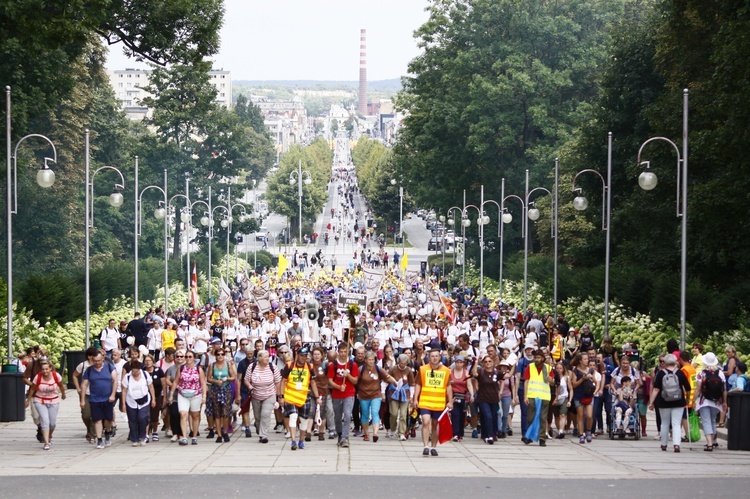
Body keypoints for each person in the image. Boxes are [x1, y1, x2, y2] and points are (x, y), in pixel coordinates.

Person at [413, 349, 453, 457]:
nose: (434, 358)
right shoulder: (422, 369)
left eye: (436, 356)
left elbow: (448, 386)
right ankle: (425, 446)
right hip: (425, 401)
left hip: (439, 403)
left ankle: (433, 447)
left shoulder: (446, 371)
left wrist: (450, 401)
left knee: (435, 425)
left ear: (440, 357)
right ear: (428, 358)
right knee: (426, 422)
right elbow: (418, 385)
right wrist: (415, 399)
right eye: (432, 356)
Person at [280, 347, 320, 450]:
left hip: (303, 397)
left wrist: (317, 397)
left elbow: (313, 383)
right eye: (301, 355)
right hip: (290, 396)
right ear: (297, 355)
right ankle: (293, 441)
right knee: (293, 416)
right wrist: (281, 396)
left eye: (305, 356)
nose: (303, 358)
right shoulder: (289, 366)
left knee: (304, 420)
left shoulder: (309, 367)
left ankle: (301, 440)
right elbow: (283, 381)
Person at [649, 353, 691, 452]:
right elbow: (688, 388)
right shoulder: (680, 373)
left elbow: (656, 389)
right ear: (675, 362)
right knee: (676, 423)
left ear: (666, 362)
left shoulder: (661, 373)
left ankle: (664, 444)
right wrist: (688, 399)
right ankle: (676, 444)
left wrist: (651, 402)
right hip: (678, 401)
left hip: (664, 401)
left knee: (664, 423)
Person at [24, 360, 65, 450]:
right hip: (40, 400)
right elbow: (32, 389)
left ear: (50, 369)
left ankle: (49, 435)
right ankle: (46, 443)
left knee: (52, 423)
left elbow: (61, 385)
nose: (45, 371)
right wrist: (28, 400)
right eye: (43, 369)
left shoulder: (56, 376)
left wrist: (63, 394)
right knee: (45, 421)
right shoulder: (38, 377)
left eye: (47, 369)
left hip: (53, 401)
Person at [80, 351, 117, 449]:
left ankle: (108, 432)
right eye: (95, 361)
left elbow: (115, 381)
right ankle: (99, 439)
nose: (97, 363)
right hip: (95, 399)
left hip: (108, 398)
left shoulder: (109, 367)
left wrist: (113, 394)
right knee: (97, 420)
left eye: (99, 361)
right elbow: (84, 384)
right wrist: (83, 400)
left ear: (103, 359)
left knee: (108, 419)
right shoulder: (89, 370)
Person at [357, 351, 396, 442]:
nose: (371, 361)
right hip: (364, 395)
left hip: (376, 394)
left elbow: (387, 377)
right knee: (365, 414)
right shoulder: (361, 369)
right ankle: (366, 434)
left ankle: (375, 433)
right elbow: (356, 381)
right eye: (369, 360)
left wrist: (396, 383)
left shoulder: (378, 369)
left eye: (372, 360)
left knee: (375, 412)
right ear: (365, 360)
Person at [171, 350, 207, 446]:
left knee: (195, 416)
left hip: (196, 394)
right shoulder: (181, 368)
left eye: (190, 356)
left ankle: (194, 435)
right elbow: (175, 381)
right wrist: (171, 394)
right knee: (183, 414)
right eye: (186, 357)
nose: (188, 358)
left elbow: (203, 383)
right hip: (183, 394)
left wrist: (204, 396)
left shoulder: (199, 369)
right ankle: (184, 436)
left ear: (194, 358)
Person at [327, 342, 360, 448]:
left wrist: (348, 375)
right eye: (341, 352)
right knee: (337, 417)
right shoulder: (333, 365)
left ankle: (345, 438)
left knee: (346, 415)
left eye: (345, 352)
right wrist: (338, 387)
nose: (343, 354)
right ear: (338, 352)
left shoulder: (352, 365)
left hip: (349, 394)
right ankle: (340, 434)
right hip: (337, 394)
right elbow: (330, 381)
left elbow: (355, 381)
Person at [693, 352, 727, 451]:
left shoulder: (702, 373)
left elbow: (698, 389)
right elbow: (724, 389)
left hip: (704, 401)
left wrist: (694, 400)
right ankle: (713, 441)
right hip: (717, 401)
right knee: (712, 420)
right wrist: (724, 401)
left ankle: (709, 443)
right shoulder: (720, 373)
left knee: (706, 421)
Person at [247, 350, 281, 444]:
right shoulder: (252, 367)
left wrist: (278, 394)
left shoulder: (272, 367)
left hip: (269, 394)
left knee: (265, 414)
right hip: (256, 395)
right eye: (265, 357)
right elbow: (246, 380)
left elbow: (278, 381)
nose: (267, 358)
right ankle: (259, 428)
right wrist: (249, 386)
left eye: (268, 356)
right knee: (257, 417)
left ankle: (264, 435)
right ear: (259, 358)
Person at [521, 349, 555, 446]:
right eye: (535, 357)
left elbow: (553, 382)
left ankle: (542, 438)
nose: (536, 359)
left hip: (544, 396)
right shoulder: (530, 367)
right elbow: (526, 381)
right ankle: (531, 435)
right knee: (531, 417)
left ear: (543, 359)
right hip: (532, 395)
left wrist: (550, 380)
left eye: (539, 357)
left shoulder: (548, 368)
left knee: (543, 418)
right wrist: (525, 396)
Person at [120, 360, 156, 446]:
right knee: (132, 420)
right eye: (134, 371)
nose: (135, 373)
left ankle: (143, 436)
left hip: (144, 400)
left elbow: (151, 387)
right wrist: (123, 403)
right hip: (131, 401)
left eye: (137, 371)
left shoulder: (145, 374)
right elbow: (124, 391)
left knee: (142, 418)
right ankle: (134, 439)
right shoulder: (127, 377)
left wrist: (153, 399)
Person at [206, 347, 237, 443]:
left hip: (226, 390)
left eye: (222, 354)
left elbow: (233, 377)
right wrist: (215, 381)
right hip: (215, 390)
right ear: (215, 356)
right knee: (217, 413)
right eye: (218, 354)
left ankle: (225, 432)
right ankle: (219, 434)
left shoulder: (228, 365)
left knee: (226, 412)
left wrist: (226, 379)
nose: (220, 356)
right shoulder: (212, 365)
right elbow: (208, 378)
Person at [473, 354, 502, 444]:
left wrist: (514, 365)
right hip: (483, 399)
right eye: (485, 362)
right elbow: (474, 374)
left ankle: (489, 434)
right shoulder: (481, 372)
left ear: (493, 362)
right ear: (483, 363)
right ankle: (489, 436)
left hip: (493, 399)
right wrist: (476, 362)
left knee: (493, 417)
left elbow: (507, 376)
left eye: (489, 361)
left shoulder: (497, 372)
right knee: (487, 416)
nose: (488, 363)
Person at [389, 353, 417, 441]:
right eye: (401, 363)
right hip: (394, 393)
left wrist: (411, 396)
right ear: (398, 362)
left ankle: (401, 433)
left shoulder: (409, 370)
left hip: (405, 394)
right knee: (393, 413)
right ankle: (393, 429)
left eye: (405, 363)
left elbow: (412, 384)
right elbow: (387, 379)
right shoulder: (393, 369)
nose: (403, 365)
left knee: (403, 414)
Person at [570, 353, 595, 444]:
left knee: (589, 415)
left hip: (589, 395)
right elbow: (574, 384)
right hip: (579, 395)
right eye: (584, 359)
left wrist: (592, 378)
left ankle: (588, 430)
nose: (587, 360)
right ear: (580, 361)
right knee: (580, 416)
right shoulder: (575, 371)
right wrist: (583, 379)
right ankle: (581, 434)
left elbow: (596, 382)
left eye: (587, 359)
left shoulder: (591, 370)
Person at [448, 352, 473, 442]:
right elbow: (448, 386)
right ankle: (455, 434)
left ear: (463, 363)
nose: (459, 364)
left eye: (460, 362)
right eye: (457, 362)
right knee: (455, 415)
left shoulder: (466, 373)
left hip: (463, 396)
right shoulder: (450, 372)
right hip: (454, 396)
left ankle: (460, 433)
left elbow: (469, 385)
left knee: (462, 416)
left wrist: (472, 395)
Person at [142, 355, 165, 442]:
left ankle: (155, 431)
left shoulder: (158, 370)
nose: (148, 362)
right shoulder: (142, 371)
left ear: (153, 361)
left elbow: (163, 384)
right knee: (145, 416)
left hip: (157, 395)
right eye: (146, 361)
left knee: (154, 416)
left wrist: (165, 396)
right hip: (145, 396)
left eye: (149, 360)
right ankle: (146, 433)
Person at [552, 361, 571, 439]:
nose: (559, 370)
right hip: (555, 398)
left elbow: (571, 389)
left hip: (564, 397)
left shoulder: (566, 378)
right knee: (556, 416)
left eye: (560, 368)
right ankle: (559, 429)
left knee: (563, 414)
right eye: (557, 368)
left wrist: (570, 400)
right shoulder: (552, 377)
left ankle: (561, 431)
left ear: (563, 369)